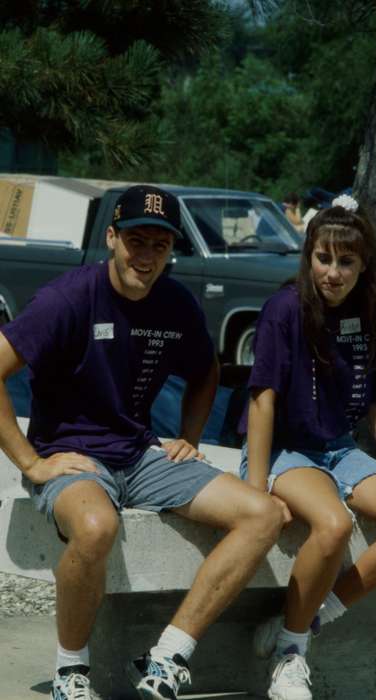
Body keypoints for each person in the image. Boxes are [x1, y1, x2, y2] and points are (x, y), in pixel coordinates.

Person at [0, 184, 285, 700]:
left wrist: (192, 437)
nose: (147, 256)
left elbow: (206, 371)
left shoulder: (174, 302)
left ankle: (167, 656)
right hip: (73, 456)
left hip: (139, 454)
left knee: (264, 513)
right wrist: (29, 461)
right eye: (136, 241)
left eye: (159, 244)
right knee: (95, 526)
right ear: (112, 237)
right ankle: (71, 674)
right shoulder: (68, 298)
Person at [239, 194, 376, 700]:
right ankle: (290, 655)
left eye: (346, 261)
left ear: (363, 264)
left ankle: (311, 620)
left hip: (339, 449)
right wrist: (256, 490)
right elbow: (261, 403)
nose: (333, 272)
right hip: (287, 450)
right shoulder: (283, 310)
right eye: (324, 258)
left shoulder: (366, 314)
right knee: (332, 524)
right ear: (309, 256)